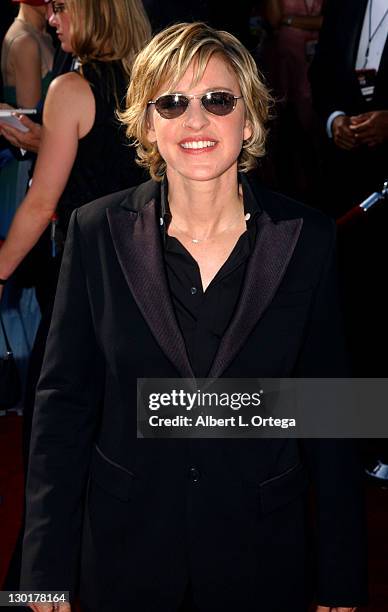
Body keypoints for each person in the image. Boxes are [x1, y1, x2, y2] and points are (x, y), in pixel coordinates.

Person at [18, 21, 366, 612]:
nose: (196, 120)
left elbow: (332, 411)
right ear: (148, 123)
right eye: (173, 102)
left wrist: (341, 573)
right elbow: (63, 409)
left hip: (261, 558)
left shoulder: (307, 239)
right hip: (124, 556)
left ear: (249, 119)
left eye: (218, 100)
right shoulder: (96, 232)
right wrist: (41, 572)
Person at [309, 0, 388, 482]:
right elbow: (322, 75)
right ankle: (355, 444)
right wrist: (335, 119)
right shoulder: (344, 1)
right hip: (345, 186)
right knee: (351, 312)